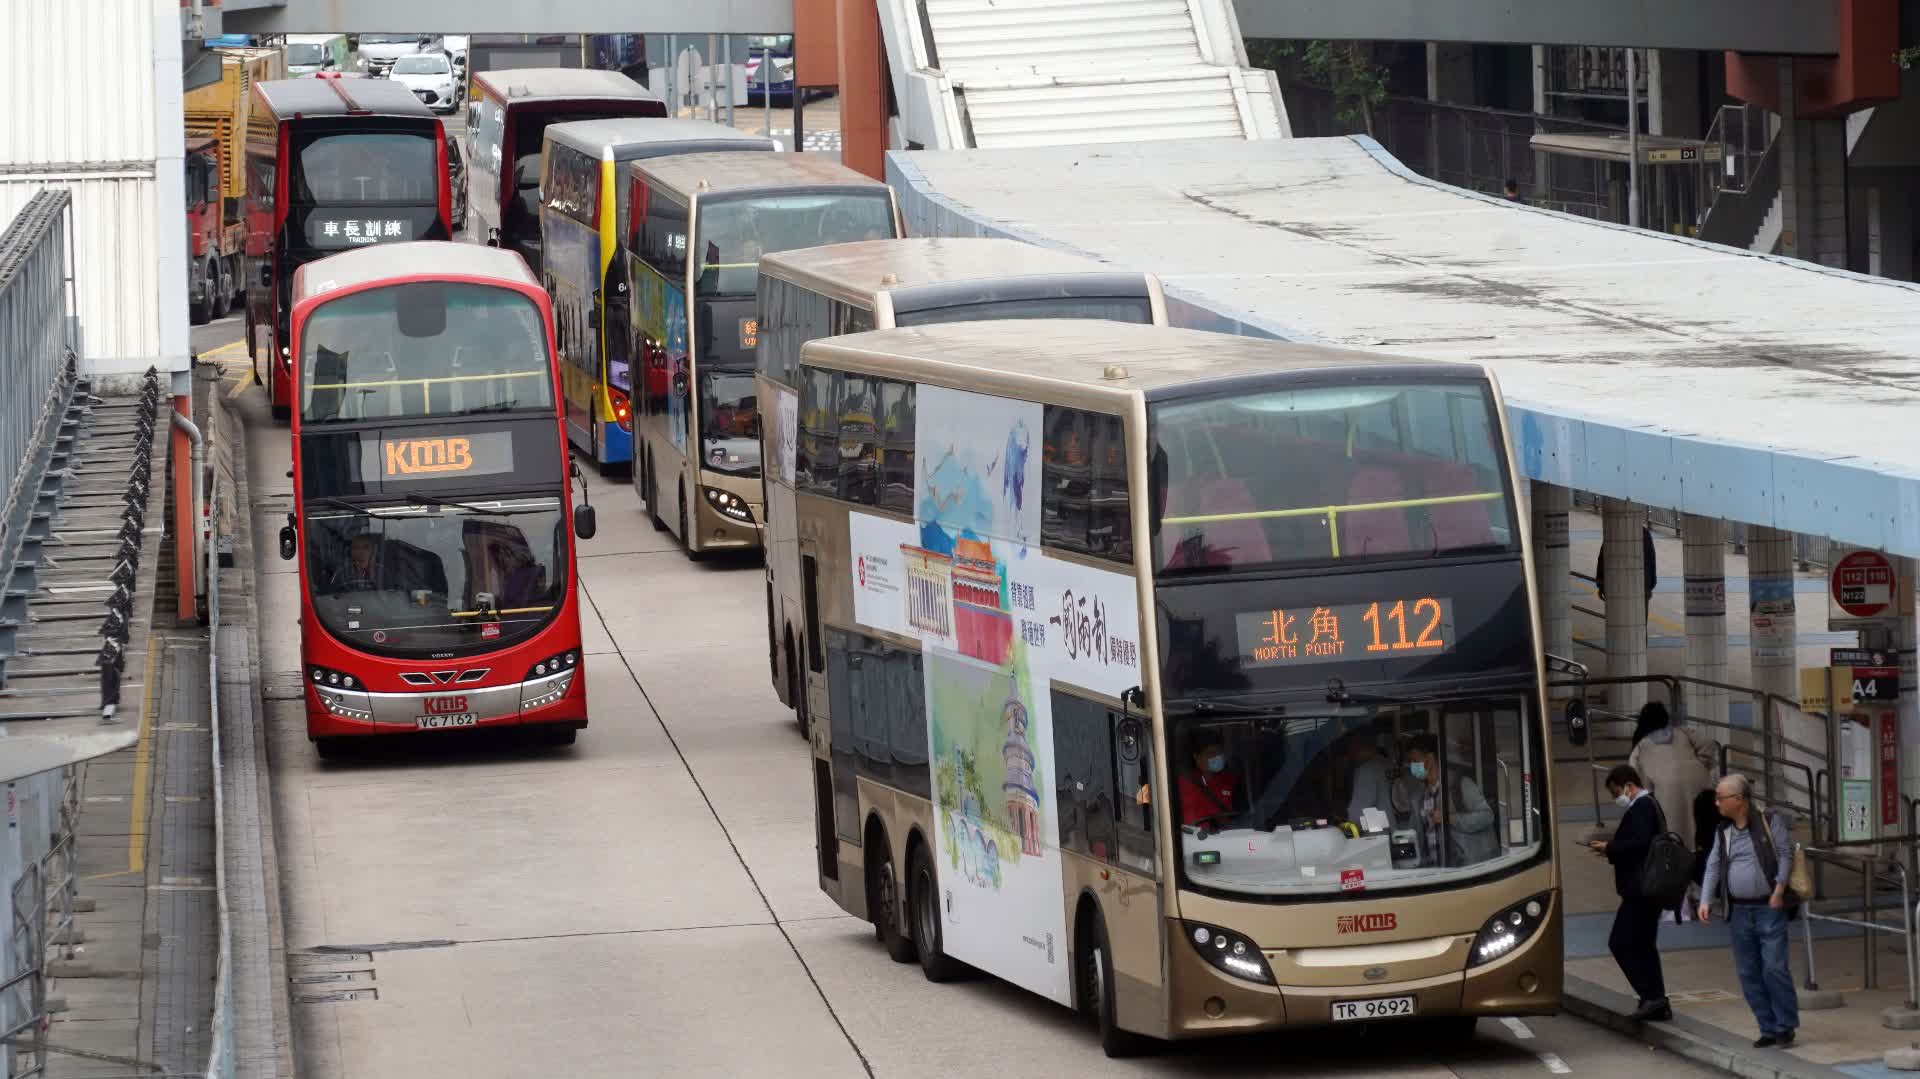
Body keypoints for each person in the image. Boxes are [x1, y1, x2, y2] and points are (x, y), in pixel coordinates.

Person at [1697, 774, 1800, 1048]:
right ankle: (1767, 1027)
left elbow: (1785, 854)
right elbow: (1713, 866)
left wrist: (1779, 890)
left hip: (1769, 906)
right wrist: (1705, 899)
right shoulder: (1723, 830)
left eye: (1721, 798)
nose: (1716, 803)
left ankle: (1785, 1025)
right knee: (1748, 972)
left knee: (1775, 968)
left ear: (1739, 800)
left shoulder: (1768, 820)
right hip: (1739, 911)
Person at [1590, 764, 1671, 1022]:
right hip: (1646, 888)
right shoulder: (1649, 806)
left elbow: (1639, 844)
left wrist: (1610, 848)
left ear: (1628, 785)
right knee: (1644, 944)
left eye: (1616, 792)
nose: (1617, 798)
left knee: (1621, 942)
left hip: (1641, 890)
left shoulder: (1643, 807)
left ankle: (1651, 996)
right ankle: (1656, 1000)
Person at [1627, 701, 1716, 922]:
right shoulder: (1684, 732)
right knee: (1701, 841)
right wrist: (1701, 765)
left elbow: (1635, 780)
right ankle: (1703, 893)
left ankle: (1680, 903)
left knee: (1673, 847)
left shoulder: (1642, 746)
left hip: (1667, 795)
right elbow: (1709, 745)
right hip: (1699, 788)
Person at [1402, 733, 1496, 866]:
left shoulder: (1460, 785)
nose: (1412, 767)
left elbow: (1487, 816)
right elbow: (1413, 834)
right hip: (1436, 870)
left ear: (1429, 759)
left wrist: (1448, 818)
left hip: (1465, 867)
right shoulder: (1418, 797)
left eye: (1414, 761)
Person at [1177, 729, 1239, 826]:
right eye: (1210, 754)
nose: (1216, 757)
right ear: (1196, 757)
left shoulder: (1232, 780)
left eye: (1219, 753)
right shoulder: (1184, 783)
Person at [1344, 730, 1393, 828]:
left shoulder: (1366, 771)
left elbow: (1357, 815)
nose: (1350, 756)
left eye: (1350, 749)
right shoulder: (1390, 765)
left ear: (1357, 746)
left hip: (1378, 836)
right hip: (1398, 831)